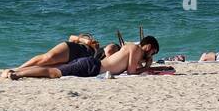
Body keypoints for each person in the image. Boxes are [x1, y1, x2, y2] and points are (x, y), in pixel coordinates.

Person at [9, 36, 159, 79]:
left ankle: (20, 71)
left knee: (52, 69)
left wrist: (142, 63)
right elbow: (132, 71)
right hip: (91, 67)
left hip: (90, 64)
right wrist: (146, 67)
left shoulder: (130, 47)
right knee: (53, 72)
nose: (151, 55)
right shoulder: (135, 49)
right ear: (150, 48)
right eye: (153, 53)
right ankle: (17, 73)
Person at [15, 34, 102, 71]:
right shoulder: (83, 42)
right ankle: (18, 69)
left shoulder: (96, 52)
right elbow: (71, 37)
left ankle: (20, 71)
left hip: (72, 60)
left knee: (44, 65)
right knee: (47, 58)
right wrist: (85, 40)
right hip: (71, 49)